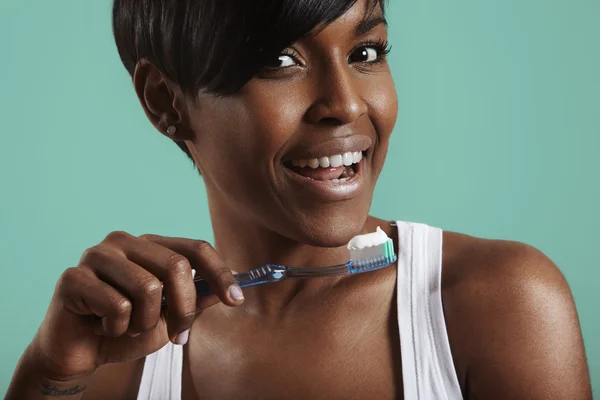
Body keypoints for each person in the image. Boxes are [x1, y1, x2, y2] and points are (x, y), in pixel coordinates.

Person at [7, 0, 592, 398]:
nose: (345, 103)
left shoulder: (499, 304)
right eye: (279, 62)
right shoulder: (118, 365)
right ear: (166, 101)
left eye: (366, 53)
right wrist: (48, 371)